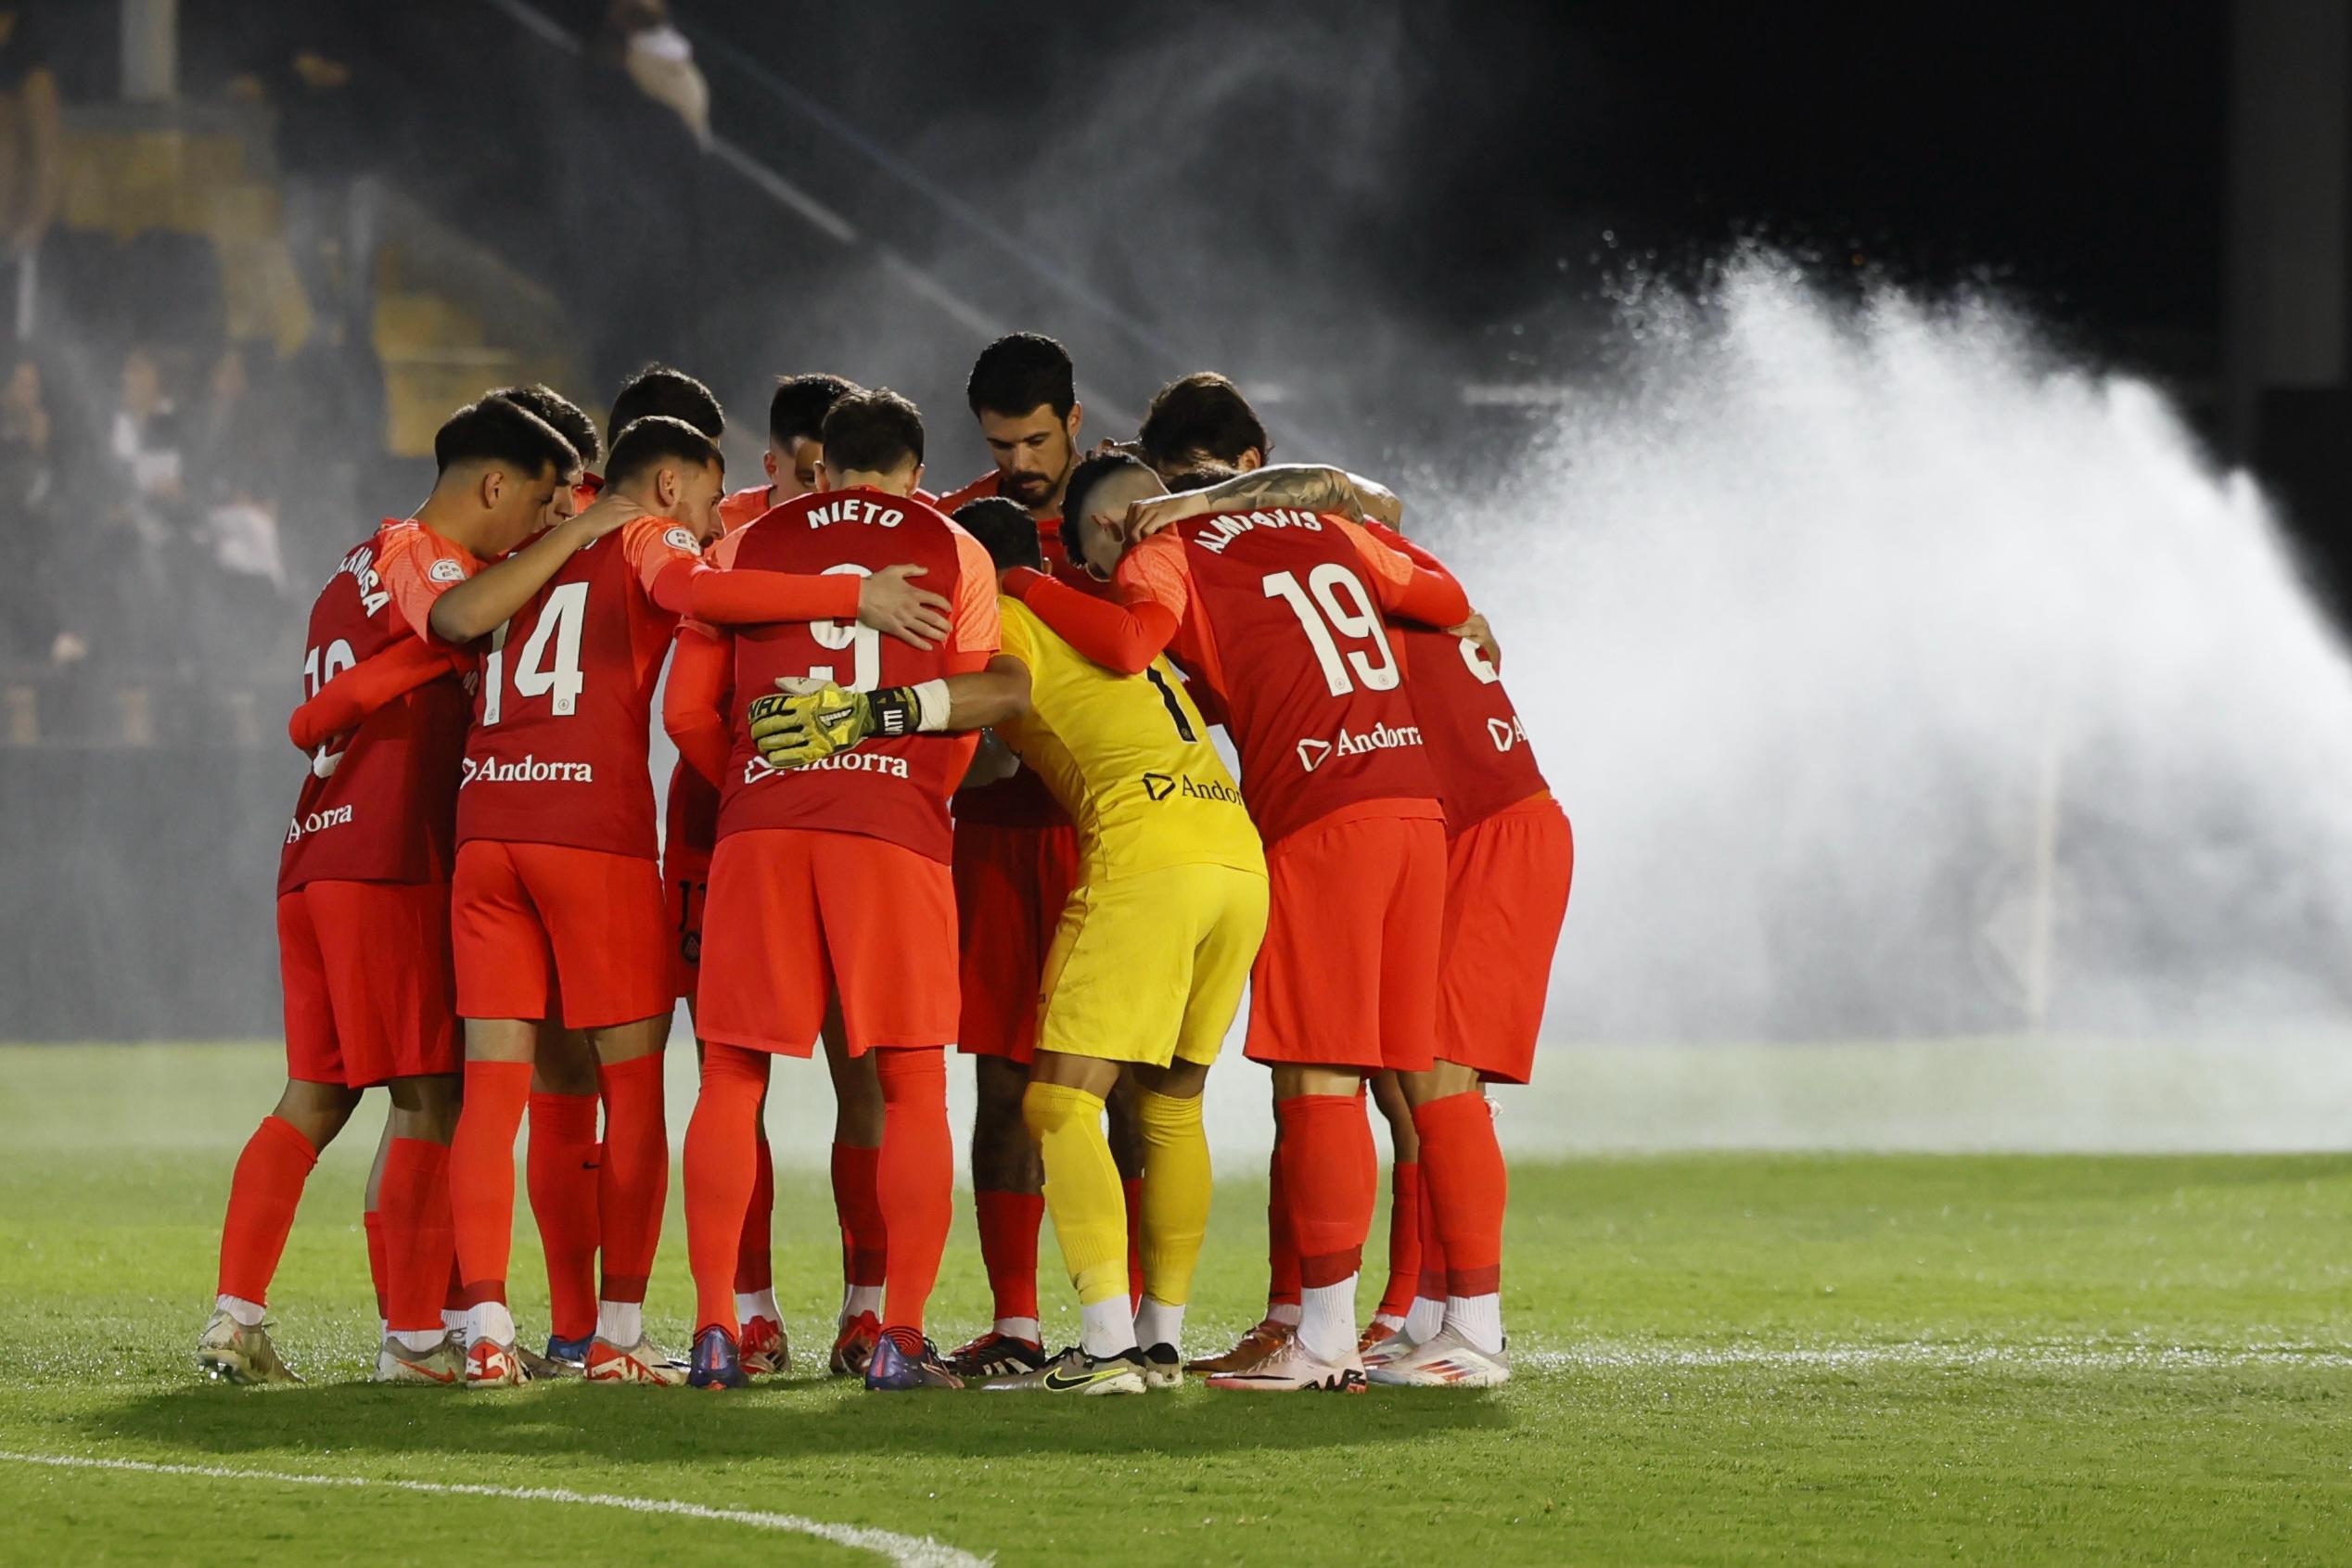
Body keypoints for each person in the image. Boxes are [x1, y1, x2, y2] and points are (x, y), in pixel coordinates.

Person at [756, 494, 1267, 1394]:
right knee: (1172, 1104)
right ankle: (1156, 1338)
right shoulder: (1098, 619)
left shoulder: (1014, 618)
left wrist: (862, 715)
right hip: (1232, 853)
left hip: (1144, 859)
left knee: (1059, 1105)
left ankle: (1105, 1345)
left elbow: (1003, 692)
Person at [1007, 450, 1469, 1393]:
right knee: (1202, 1100)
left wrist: (1005, 594)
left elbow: (1127, 644)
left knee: (1087, 1098)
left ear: (1106, 531)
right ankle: (1433, 1319)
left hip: (1242, 833)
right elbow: (1408, 543)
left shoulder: (1148, 564)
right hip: (1296, 836)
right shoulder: (1307, 539)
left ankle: (1131, 1347)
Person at [198, 394, 584, 1386]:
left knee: (317, 1093)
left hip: (317, 850)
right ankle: (416, 1340)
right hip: (388, 854)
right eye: (538, 506)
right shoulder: (433, 562)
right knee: (431, 1096)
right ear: (494, 485)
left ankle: (236, 1316)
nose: (540, 528)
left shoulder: (348, 570)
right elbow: (456, 623)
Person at [663, 389, 1015, 1391]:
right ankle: (897, 1333)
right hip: (893, 829)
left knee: (731, 1075)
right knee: (909, 1080)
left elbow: (687, 710)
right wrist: (912, 792)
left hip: (761, 825)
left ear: (820, 468)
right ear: (912, 470)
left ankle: (717, 1330)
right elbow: (967, 705)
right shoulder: (956, 548)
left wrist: (748, 781)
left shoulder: (749, 540)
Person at [928, 334, 1130, 1382]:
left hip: (1111, 837)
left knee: (1125, 1087)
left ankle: (1139, 1318)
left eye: (1037, 439)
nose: (1021, 462)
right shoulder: (966, 529)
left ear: (1074, 419)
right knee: (1003, 1084)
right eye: (1002, 443)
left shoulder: (1119, 512)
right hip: (999, 846)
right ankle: (1013, 1323)